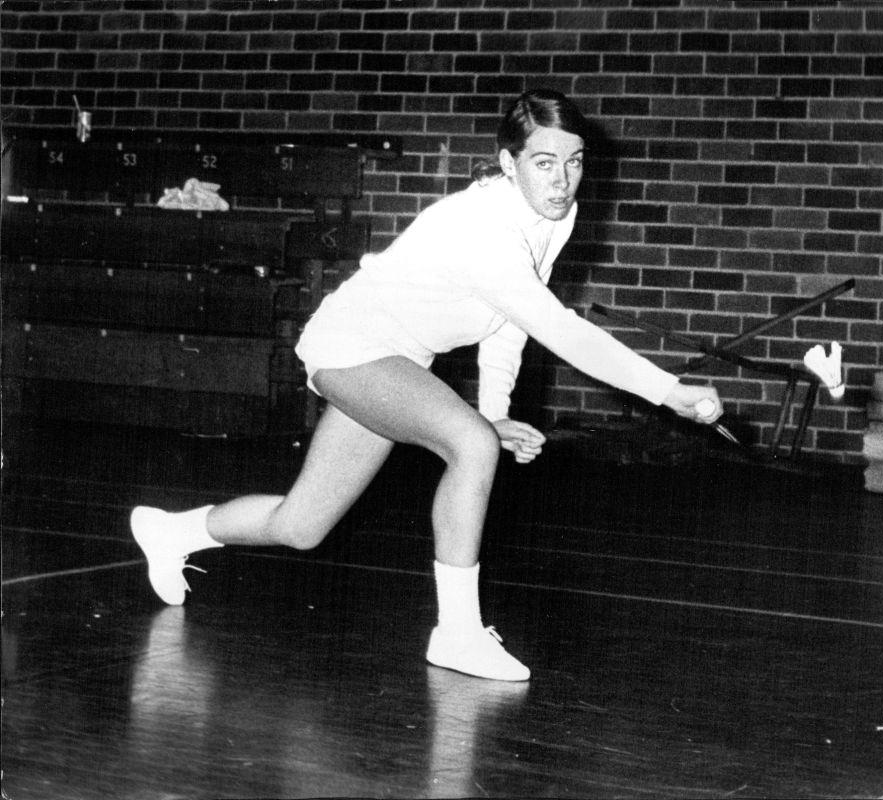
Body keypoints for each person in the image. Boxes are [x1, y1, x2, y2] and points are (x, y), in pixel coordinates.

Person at [131, 89, 723, 682]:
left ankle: (172, 530)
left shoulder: (552, 216)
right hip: (352, 344)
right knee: (470, 446)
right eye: (545, 162)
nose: (563, 179)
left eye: (574, 160)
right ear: (508, 163)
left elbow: (511, 319)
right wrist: (669, 391)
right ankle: (457, 634)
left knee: (301, 526)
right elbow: (559, 329)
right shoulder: (483, 228)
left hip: (398, 358)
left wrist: (493, 410)